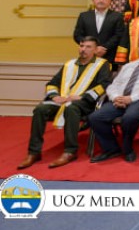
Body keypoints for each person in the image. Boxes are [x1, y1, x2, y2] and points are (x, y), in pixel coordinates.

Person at [17, 37, 112, 170]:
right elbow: (52, 83)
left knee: (71, 108)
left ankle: (70, 151)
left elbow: (104, 85)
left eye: (88, 47)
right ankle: (34, 152)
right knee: (40, 109)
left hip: (85, 102)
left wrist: (82, 97)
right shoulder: (69, 64)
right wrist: (55, 96)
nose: (83, 49)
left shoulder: (102, 65)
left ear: (96, 50)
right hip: (63, 99)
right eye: (81, 46)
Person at [89, 36, 139, 163]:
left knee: (130, 117)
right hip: (120, 100)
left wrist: (131, 98)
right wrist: (115, 97)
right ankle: (111, 149)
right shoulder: (128, 66)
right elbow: (114, 85)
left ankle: (127, 148)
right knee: (95, 117)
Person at [73, 0, 126, 65]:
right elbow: (77, 35)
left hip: (109, 56)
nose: (101, 1)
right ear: (93, 1)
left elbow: (119, 35)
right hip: (87, 55)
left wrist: (104, 48)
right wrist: (90, 47)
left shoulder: (118, 16)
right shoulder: (84, 16)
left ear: (110, 1)